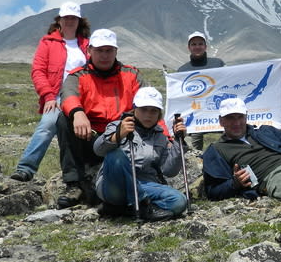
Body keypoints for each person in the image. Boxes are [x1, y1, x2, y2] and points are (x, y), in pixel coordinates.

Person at [56, 28, 144, 208]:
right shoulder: (78, 75)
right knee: (64, 119)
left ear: (116, 51)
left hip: (123, 137)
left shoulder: (132, 75)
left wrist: (166, 136)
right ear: (89, 50)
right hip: (90, 137)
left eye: (109, 50)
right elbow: (68, 95)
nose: (104, 55)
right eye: (99, 50)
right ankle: (74, 184)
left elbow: (149, 104)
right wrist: (77, 112)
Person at [11, 2, 90, 182]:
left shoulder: (87, 44)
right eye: (66, 17)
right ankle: (25, 169)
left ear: (79, 21)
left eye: (73, 18)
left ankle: (85, 170)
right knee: (47, 125)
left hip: (83, 98)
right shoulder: (48, 42)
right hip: (57, 97)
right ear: (59, 20)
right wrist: (48, 96)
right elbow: (38, 71)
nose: (69, 21)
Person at [93, 87, 187, 222]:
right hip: (115, 186)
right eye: (143, 109)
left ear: (159, 114)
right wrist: (119, 135)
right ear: (134, 109)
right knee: (115, 155)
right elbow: (98, 150)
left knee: (179, 201)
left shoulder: (161, 137)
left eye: (154, 111)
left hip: (145, 185)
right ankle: (142, 205)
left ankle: (122, 209)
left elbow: (169, 171)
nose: (148, 115)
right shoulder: (117, 126)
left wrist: (179, 141)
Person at [177, 31, 226, 150]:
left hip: (217, 109)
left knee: (228, 135)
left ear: (205, 46)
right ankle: (196, 161)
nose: (197, 47)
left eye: (200, 44)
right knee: (194, 145)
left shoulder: (218, 63)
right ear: (189, 47)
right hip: (196, 113)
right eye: (193, 44)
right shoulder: (182, 70)